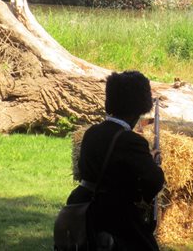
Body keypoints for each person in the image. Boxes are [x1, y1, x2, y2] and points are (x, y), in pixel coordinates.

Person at [66, 70, 164, 250]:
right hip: (115, 214)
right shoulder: (132, 141)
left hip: (85, 208)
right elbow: (154, 180)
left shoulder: (91, 133)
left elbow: (84, 169)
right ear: (138, 108)